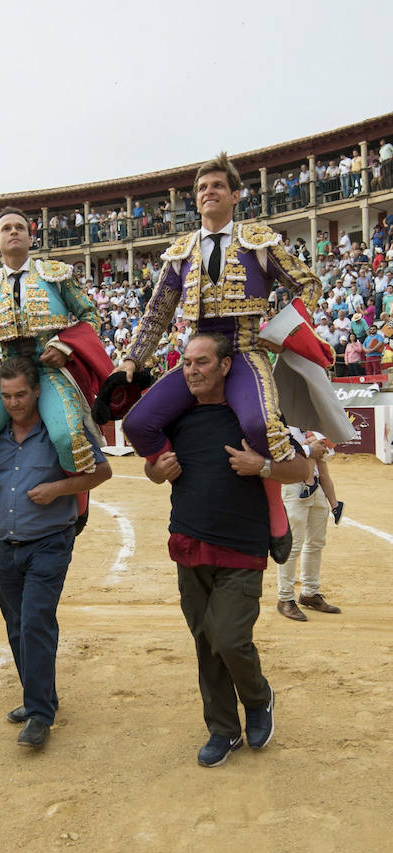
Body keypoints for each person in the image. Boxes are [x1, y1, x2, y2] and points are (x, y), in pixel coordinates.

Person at [118, 152, 333, 562]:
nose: (208, 192)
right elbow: (157, 313)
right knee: (138, 422)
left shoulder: (259, 242)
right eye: (202, 188)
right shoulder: (179, 252)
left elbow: (309, 284)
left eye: (217, 186)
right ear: (195, 200)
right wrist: (131, 361)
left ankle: (275, 516)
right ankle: (173, 469)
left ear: (235, 195)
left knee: (260, 424)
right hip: (198, 354)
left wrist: (283, 330)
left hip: (246, 349)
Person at [144, 333, 311, 767]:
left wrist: (264, 466)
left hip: (242, 548)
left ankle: (257, 698)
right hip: (189, 543)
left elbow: (304, 466)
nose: (192, 370)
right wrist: (156, 470)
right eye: (186, 363)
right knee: (205, 642)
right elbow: (153, 470)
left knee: (230, 638)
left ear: (225, 366)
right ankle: (222, 729)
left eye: (202, 362)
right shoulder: (176, 418)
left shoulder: (254, 417)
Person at [0, 357, 112, 749]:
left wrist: (58, 490)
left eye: (21, 395)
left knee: (34, 623)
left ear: (36, 392)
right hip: (3, 543)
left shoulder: (59, 430)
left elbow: (102, 472)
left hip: (50, 541)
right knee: (17, 627)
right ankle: (41, 695)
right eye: (7, 396)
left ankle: (39, 715)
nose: (14, 403)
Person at [0, 207, 112, 477]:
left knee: (68, 439)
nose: (13, 231)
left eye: (20, 227)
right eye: (6, 228)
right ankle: (6, 490)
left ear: (30, 238)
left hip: (52, 372)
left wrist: (65, 346)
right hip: (9, 376)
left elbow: (91, 315)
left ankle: (73, 504)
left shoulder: (57, 275)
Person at [276, 429, 342, 621]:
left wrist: (319, 447)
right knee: (294, 543)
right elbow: (278, 454)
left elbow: (327, 454)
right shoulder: (283, 424)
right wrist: (307, 449)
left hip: (317, 486)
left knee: (316, 543)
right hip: (292, 485)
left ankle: (310, 593)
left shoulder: (312, 426)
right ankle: (285, 598)